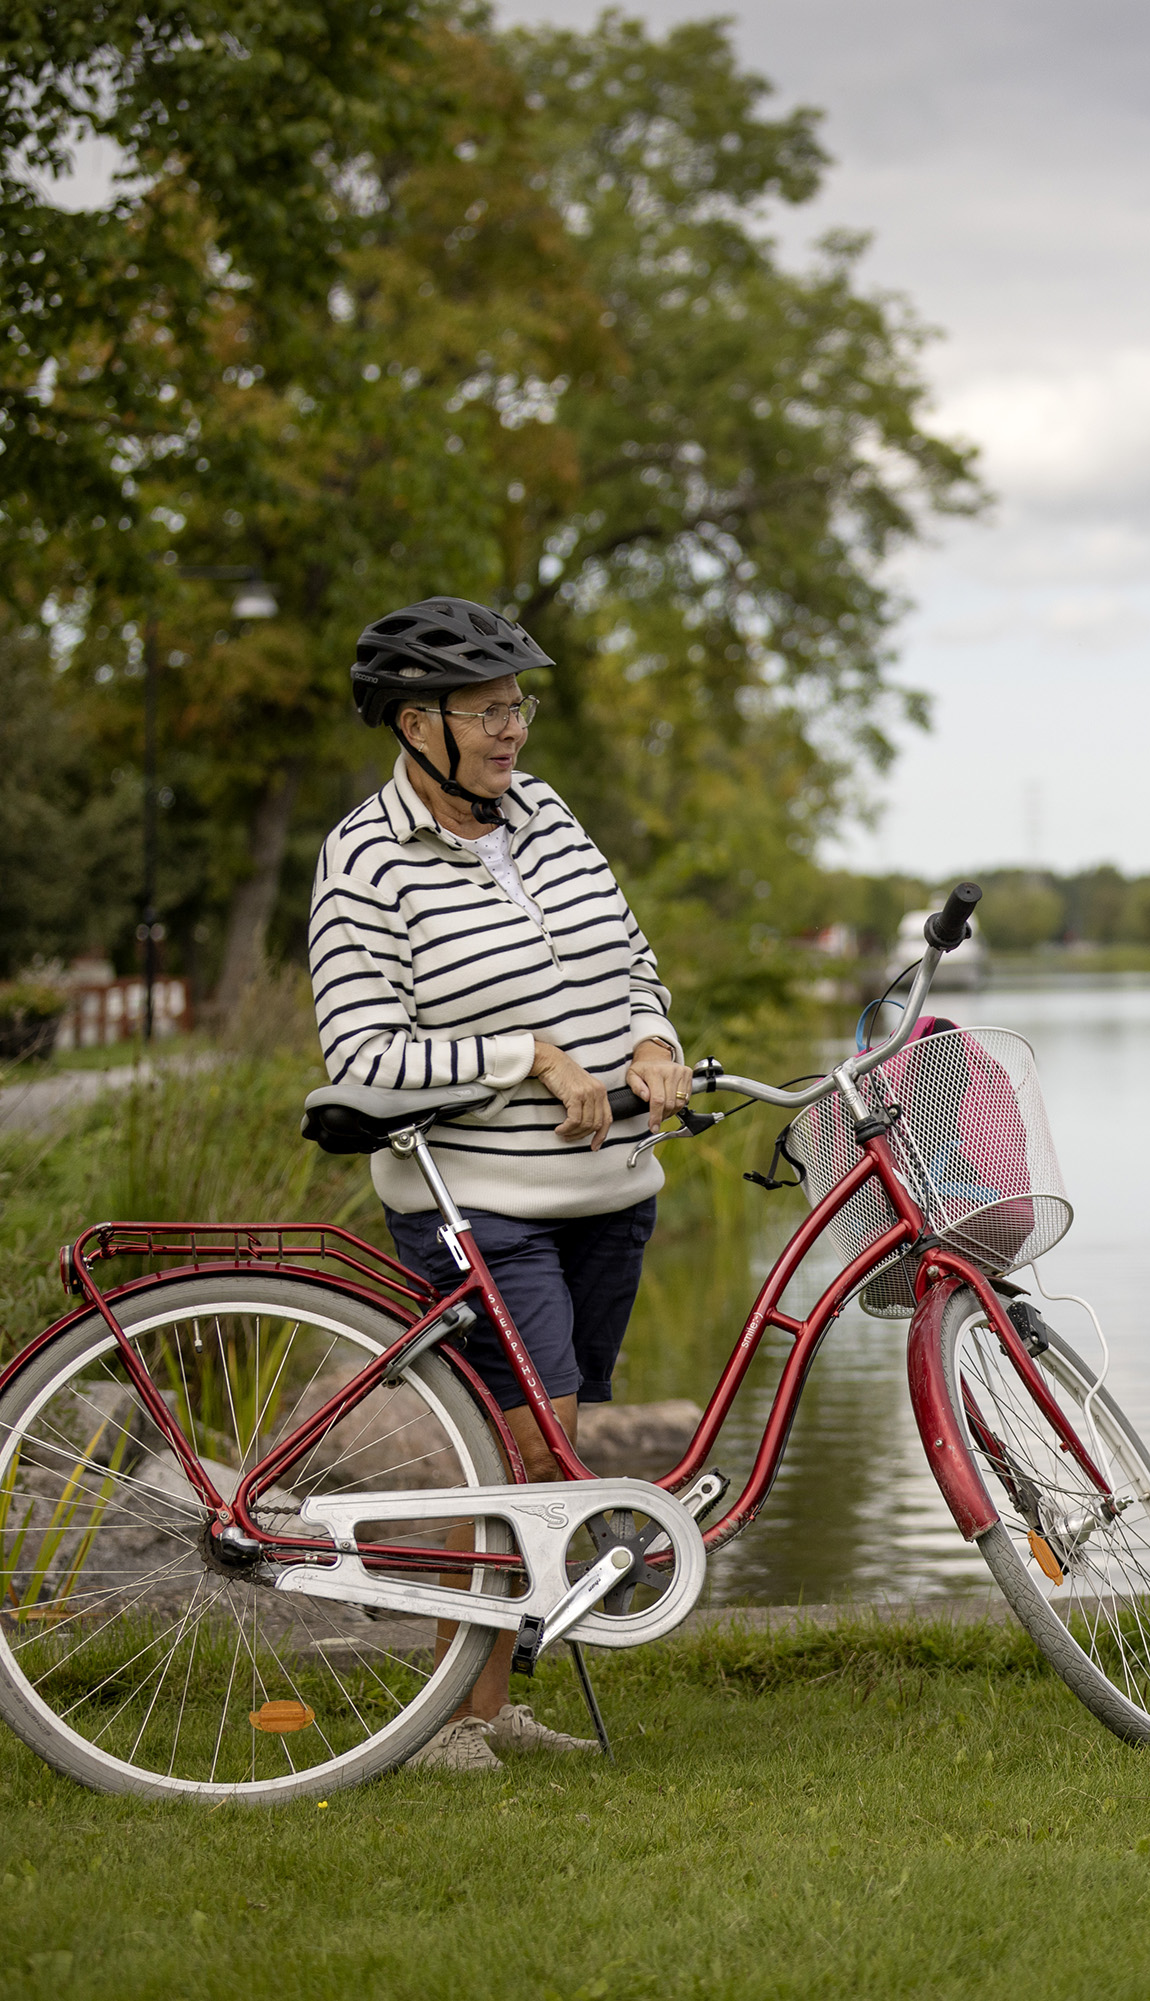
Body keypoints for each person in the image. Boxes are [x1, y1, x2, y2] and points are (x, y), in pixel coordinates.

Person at [307, 596, 693, 1773]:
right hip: (478, 1203)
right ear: (414, 723)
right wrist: (528, 1056)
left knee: (545, 1461)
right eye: (485, 711)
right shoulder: (363, 860)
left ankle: (492, 1705)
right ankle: (451, 1722)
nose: (512, 729)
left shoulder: (550, 815)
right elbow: (362, 1055)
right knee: (520, 1452)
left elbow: (632, 963)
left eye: (517, 705)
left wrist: (654, 1042)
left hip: (612, 1192)